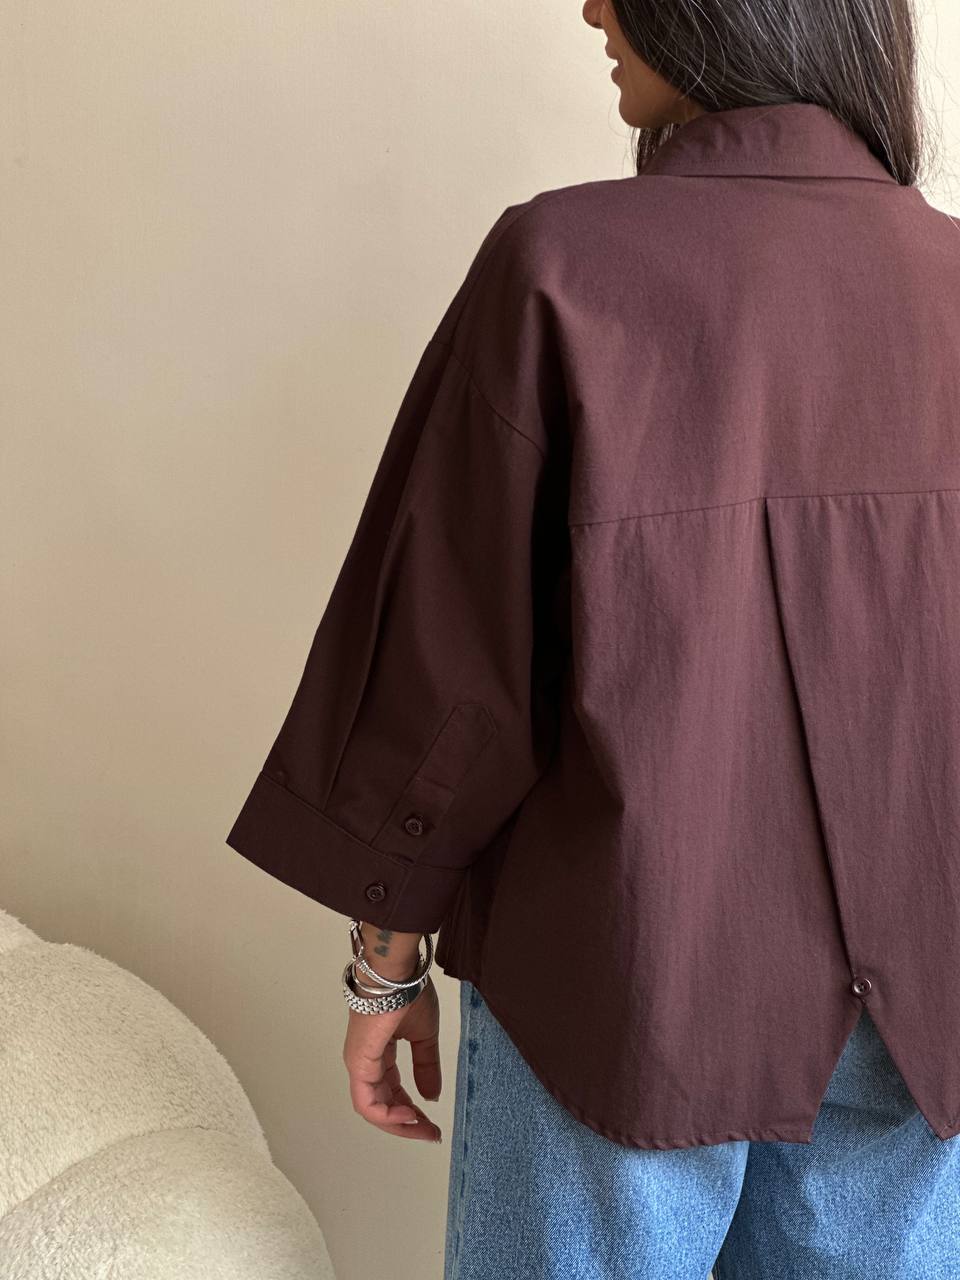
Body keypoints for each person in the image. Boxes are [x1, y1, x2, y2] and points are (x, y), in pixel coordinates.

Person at [225, 0, 960, 1275]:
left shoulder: (560, 264)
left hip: (626, 974)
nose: (591, 8)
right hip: (928, 1001)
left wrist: (384, 961)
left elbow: (454, 656)